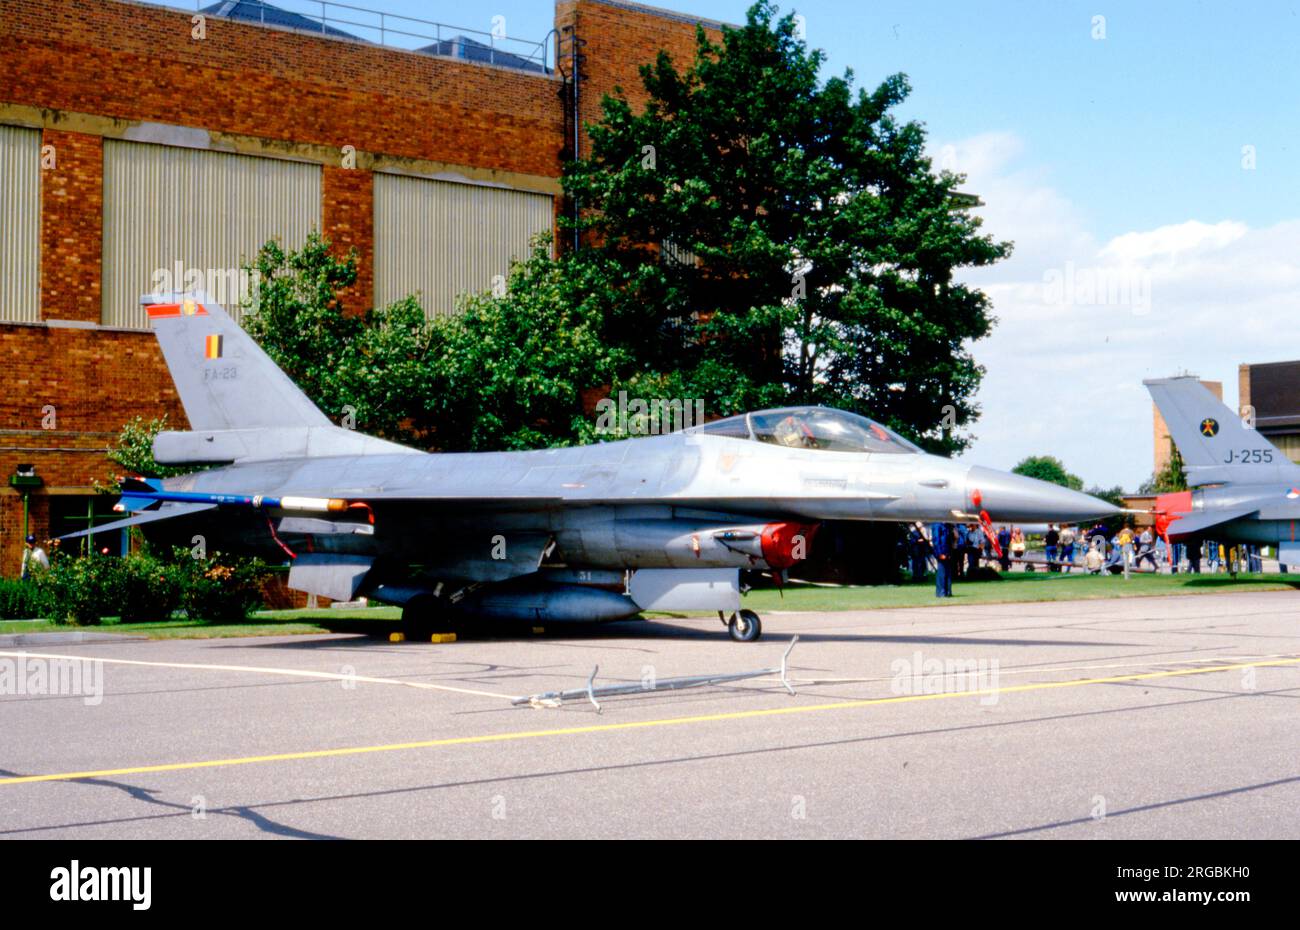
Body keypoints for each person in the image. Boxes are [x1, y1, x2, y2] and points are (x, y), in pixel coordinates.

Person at [930, 521, 954, 598]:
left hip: (947, 552)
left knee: (947, 573)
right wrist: (939, 553)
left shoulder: (947, 525)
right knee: (942, 572)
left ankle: (948, 591)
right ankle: (941, 593)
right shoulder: (937, 525)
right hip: (942, 552)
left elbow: (949, 540)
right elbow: (936, 540)